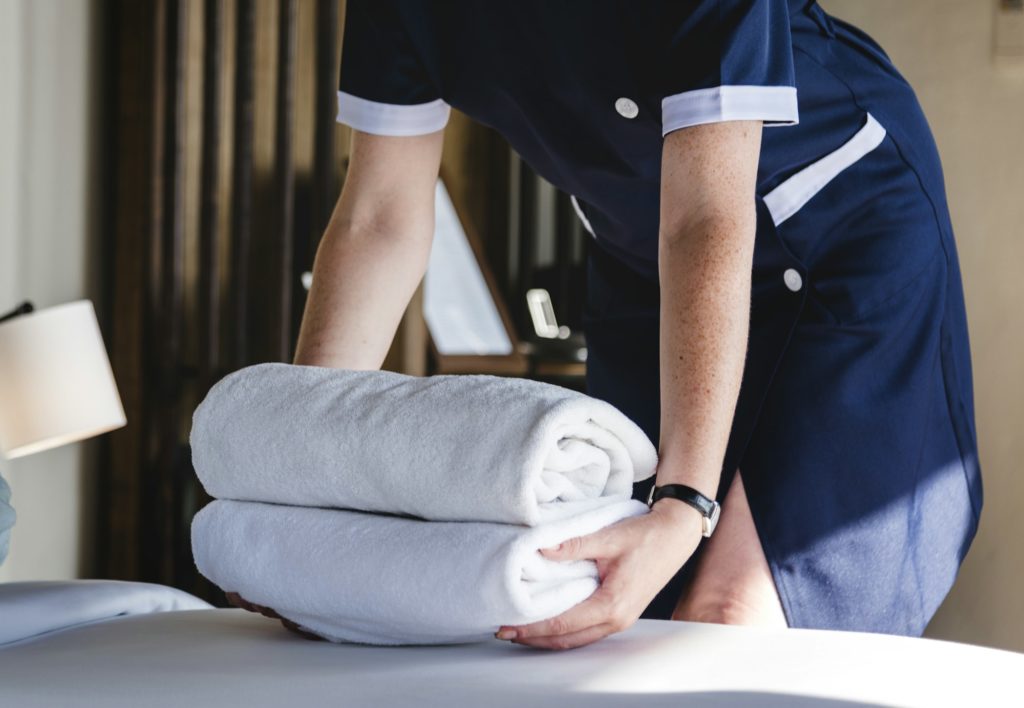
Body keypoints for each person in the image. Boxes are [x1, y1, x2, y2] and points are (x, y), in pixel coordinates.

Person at [287, 0, 981, 649]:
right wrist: (293, 490)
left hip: (841, 242)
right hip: (647, 268)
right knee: (608, 616)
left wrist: (682, 503)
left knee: (723, 620)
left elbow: (704, 216)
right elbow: (377, 219)